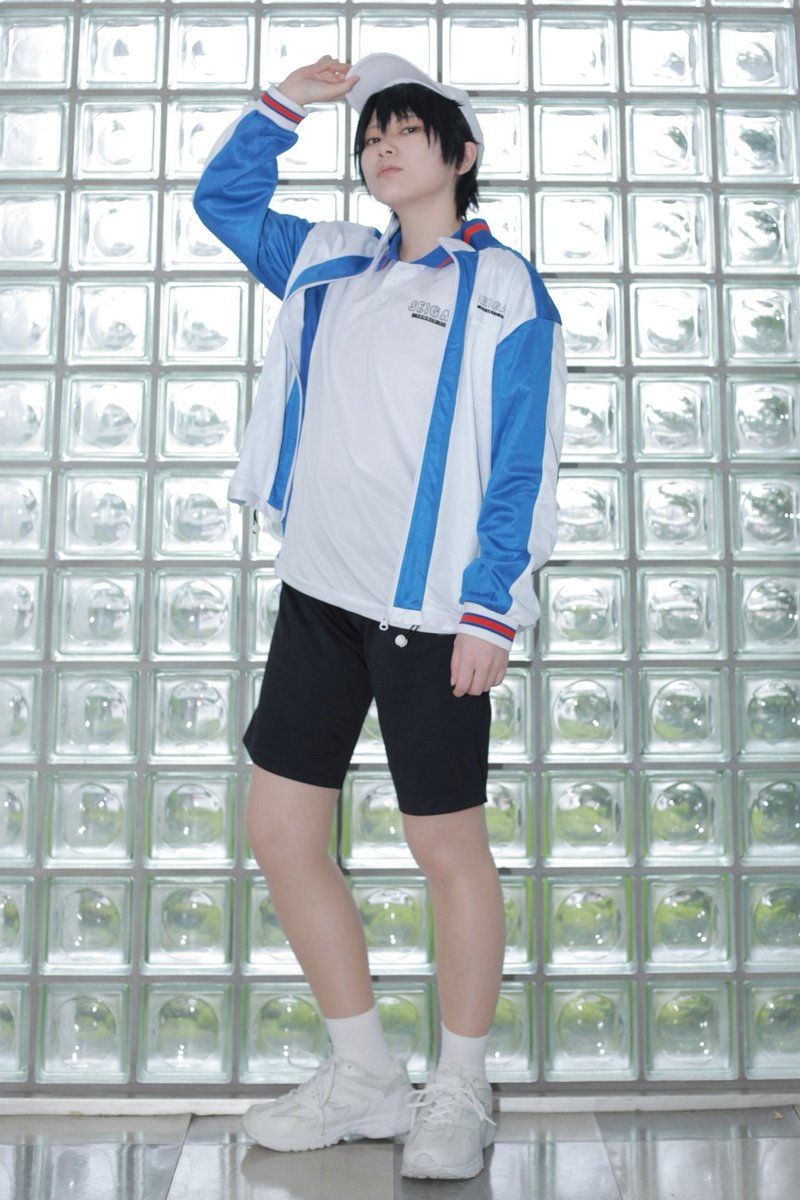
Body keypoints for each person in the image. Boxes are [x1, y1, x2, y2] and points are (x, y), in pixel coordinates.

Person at [193, 51, 566, 1181]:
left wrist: (492, 609)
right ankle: (364, 1078)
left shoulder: (502, 286)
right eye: (368, 136)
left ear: (461, 154)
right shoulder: (328, 260)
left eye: (404, 130)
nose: (380, 147)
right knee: (280, 832)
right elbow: (223, 203)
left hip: (433, 612)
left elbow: (523, 459)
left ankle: (460, 1086)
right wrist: (283, 107)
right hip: (318, 594)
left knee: (444, 844)